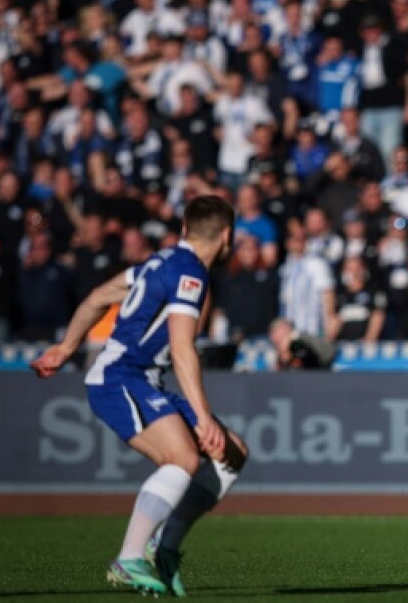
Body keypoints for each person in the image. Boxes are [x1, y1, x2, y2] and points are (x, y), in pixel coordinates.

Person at [29, 196, 248, 597]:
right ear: (228, 235)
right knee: (182, 457)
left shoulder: (160, 261)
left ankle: (164, 548)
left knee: (232, 454)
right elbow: (183, 349)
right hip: (120, 377)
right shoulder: (191, 275)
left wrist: (65, 347)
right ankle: (129, 558)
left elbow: (99, 296)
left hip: (141, 379)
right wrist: (204, 415)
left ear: (184, 229)